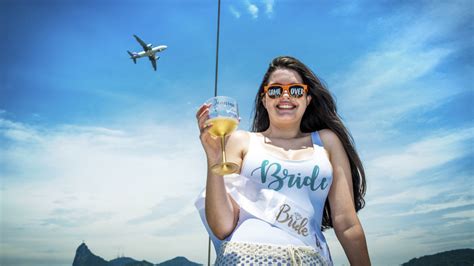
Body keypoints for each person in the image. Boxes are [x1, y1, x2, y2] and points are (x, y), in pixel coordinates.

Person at [195, 56, 370, 265]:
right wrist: (214, 160)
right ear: (264, 99)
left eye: (295, 90)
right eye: (275, 90)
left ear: (307, 99)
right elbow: (222, 226)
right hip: (243, 258)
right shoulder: (241, 140)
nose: (285, 96)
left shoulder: (327, 142)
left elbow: (347, 223)